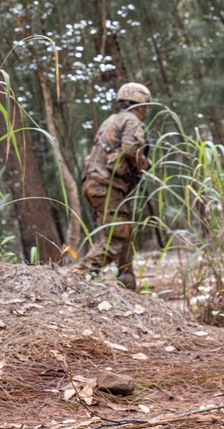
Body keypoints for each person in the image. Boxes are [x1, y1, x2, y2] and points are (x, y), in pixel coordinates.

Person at [76, 82, 152, 290]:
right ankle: (79, 278)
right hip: (106, 185)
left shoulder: (112, 120)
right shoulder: (131, 120)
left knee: (124, 232)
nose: (146, 111)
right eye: (146, 106)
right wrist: (144, 165)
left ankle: (128, 284)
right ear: (140, 104)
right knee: (115, 237)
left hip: (96, 183)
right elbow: (130, 148)